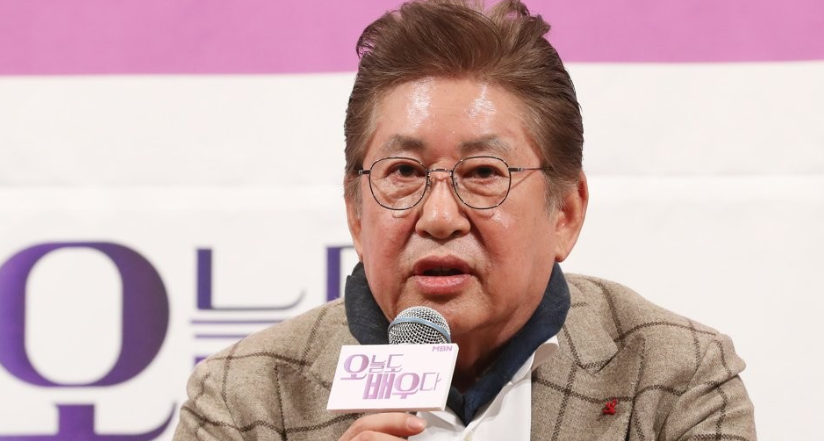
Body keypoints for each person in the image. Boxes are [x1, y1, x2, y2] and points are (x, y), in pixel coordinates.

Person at [172, 0, 757, 440]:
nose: (439, 217)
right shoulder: (243, 401)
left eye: (482, 173)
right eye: (404, 172)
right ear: (355, 211)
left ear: (566, 213)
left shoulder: (674, 376)